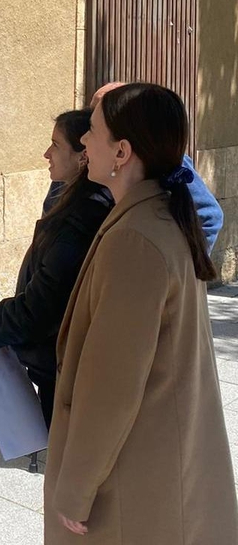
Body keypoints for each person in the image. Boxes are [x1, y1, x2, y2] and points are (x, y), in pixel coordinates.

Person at [45, 83, 238, 543]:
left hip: (131, 475)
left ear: (122, 152)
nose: (84, 140)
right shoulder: (157, 216)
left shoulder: (135, 238)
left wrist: (76, 489)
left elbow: (112, 385)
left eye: (93, 131)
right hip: (155, 455)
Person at [0, 110, 113, 427]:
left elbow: (42, 306)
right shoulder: (70, 199)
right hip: (60, 367)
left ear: (83, 156)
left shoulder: (82, 217)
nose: (46, 154)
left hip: (66, 370)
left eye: (56, 144)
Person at [44, 82, 222, 253]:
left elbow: (209, 217)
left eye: (94, 125)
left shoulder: (135, 233)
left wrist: (187, 265)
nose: (84, 137)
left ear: (122, 149)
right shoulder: (74, 173)